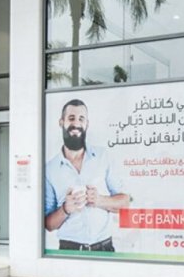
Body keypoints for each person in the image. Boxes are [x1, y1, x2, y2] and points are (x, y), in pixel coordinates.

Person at [44, 99, 130, 252]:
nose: (76, 124)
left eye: (81, 119)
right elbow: (48, 224)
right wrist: (65, 209)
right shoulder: (50, 169)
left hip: (104, 248)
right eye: (71, 118)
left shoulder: (103, 156)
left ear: (87, 124)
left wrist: (99, 200)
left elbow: (125, 203)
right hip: (69, 250)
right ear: (61, 122)